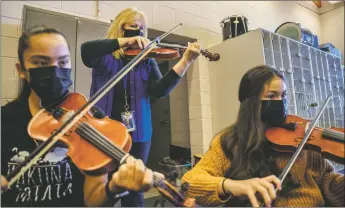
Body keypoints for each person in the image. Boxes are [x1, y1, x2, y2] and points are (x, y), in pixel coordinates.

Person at [1, 25, 162, 207]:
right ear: (20, 69)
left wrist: (113, 187)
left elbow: (92, 199)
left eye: (63, 62)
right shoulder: (4, 122)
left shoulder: (90, 116)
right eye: (41, 63)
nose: (55, 71)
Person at [80, 7, 201, 207]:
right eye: (133, 27)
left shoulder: (146, 59)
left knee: (135, 190)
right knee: (104, 188)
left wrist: (186, 62)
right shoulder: (104, 56)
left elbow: (159, 90)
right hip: (104, 134)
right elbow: (86, 51)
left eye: (142, 28)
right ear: (121, 28)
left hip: (138, 134)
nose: (138, 31)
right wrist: (124, 43)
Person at [181, 65, 344, 207]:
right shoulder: (230, 141)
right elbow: (189, 183)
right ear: (251, 102)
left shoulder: (303, 136)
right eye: (272, 96)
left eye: (284, 95)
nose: (280, 102)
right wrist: (231, 185)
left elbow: (324, 179)